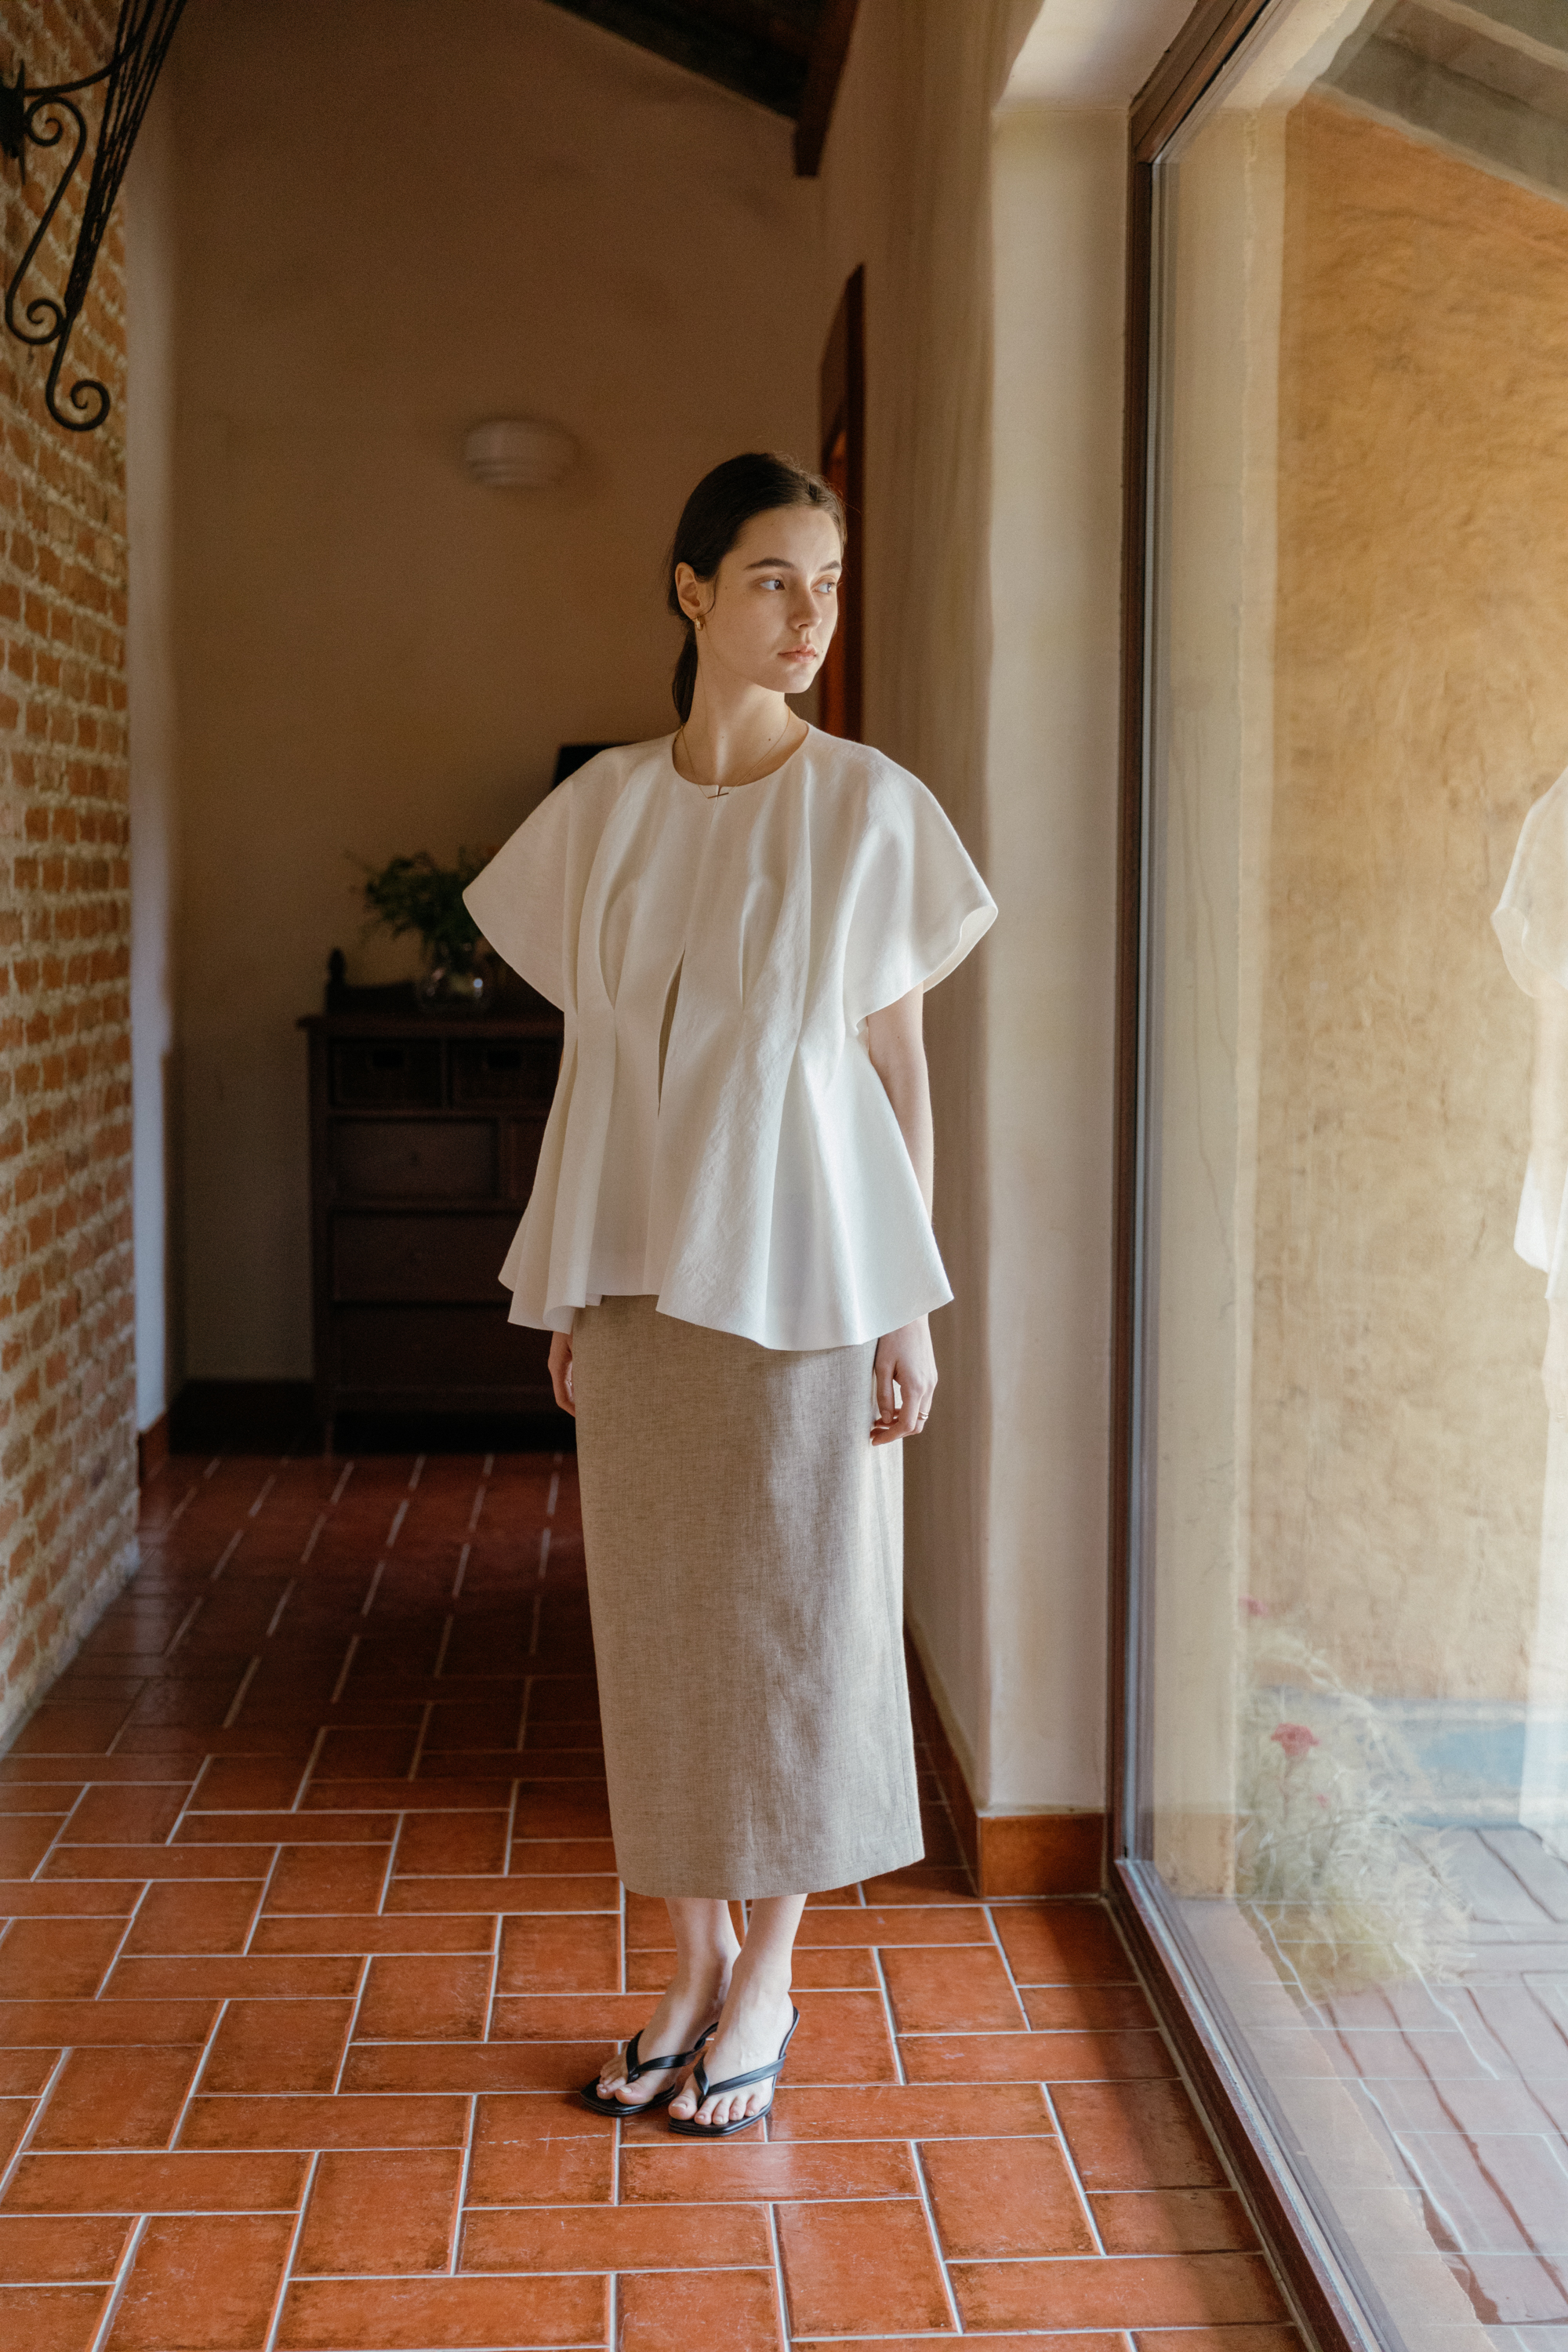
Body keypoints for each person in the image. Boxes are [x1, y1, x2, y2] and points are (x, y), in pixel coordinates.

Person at [464, 451, 996, 2135]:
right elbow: (596, 1073)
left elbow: (896, 1070)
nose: (809, 616)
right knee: (659, 1633)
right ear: (693, 590)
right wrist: (567, 1290)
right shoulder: (604, 813)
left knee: (796, 1629)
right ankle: (690, 1966)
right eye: (775, 579)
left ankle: (770, 1973)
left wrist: (912, 1304)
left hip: (812, 1284)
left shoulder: (868, 808)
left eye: (827, 586)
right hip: (637, 1286)